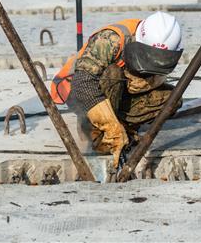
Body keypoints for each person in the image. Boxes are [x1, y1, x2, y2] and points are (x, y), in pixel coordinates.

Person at [50, 12, 184, 167]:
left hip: (117, 91)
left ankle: (124, 128)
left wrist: (146, 83)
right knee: (113, 73)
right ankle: (97, 135)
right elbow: (83, 82)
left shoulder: (155, 45)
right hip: (76, 90)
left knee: (172, 99)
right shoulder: (111, 39)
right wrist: (110, 127)